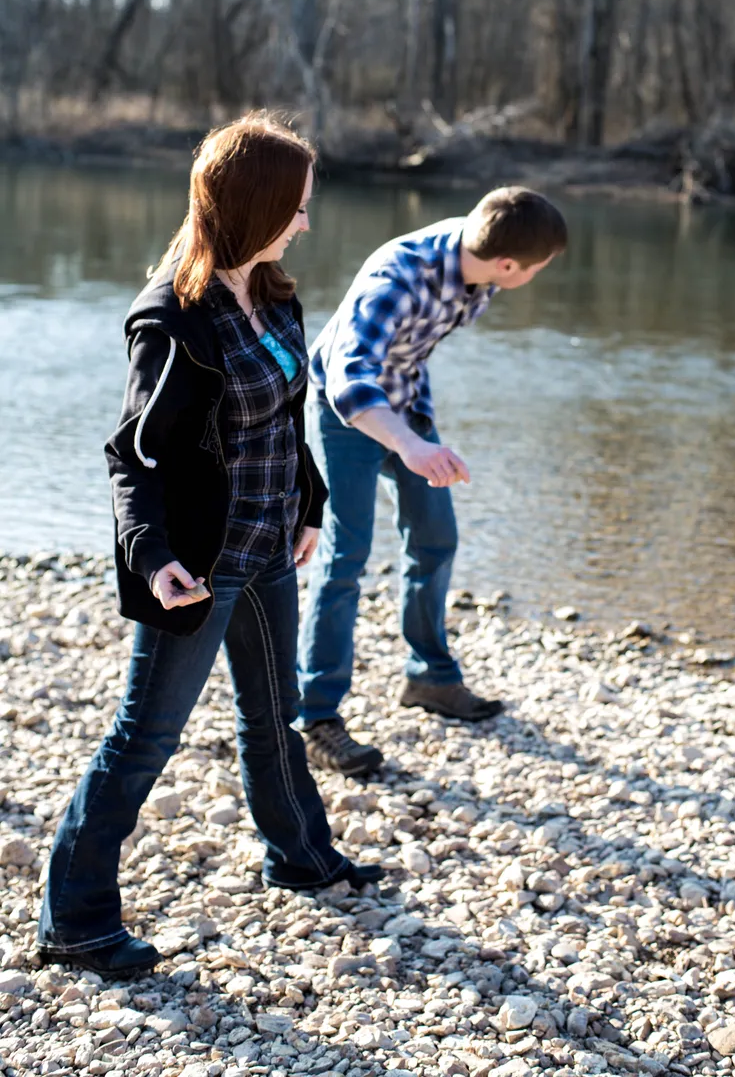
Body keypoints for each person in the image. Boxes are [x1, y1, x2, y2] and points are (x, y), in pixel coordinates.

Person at [37, 114, 382, 976]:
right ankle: (75, 919)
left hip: (270, 546)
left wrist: (310, 504)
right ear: (253, 205)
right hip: (199, 566)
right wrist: (154, 559)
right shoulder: (171, 319)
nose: (305, 222)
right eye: (296, 207)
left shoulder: (272, 292)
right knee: (144, 738)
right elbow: (134, 455)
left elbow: (287, 418)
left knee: (274, 712)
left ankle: (300, 857)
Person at [298, 186, 568, 776]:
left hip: (406, 403)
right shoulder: (397, 278)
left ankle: (431, 679)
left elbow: (408, 354)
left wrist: (417, 437)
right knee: (346, 555)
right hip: (346, 414)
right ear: (507, 265)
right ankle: (314, 717)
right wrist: (410, 446)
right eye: (538, 267)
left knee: (435, 539)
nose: (538, 275)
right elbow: (348, 380)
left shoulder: (479, 257)